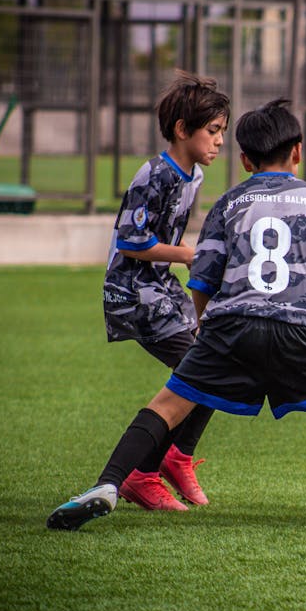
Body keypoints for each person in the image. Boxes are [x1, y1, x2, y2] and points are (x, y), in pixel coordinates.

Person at [47, 99, 306, 532]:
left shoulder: (227, 205)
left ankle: (107, 485)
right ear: (298, 151)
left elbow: (202, 281)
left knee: (169, 404)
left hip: (232, 325)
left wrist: (208, 330)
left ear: (245, 159)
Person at [102, 70, 229, 511]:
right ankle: (143, 474)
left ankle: (178, 458)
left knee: (219, 362)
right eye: (213, 132)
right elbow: (131, 243)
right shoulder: (153, 174)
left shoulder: (191, 175)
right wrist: (188, 254)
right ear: (181, 130)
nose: (218, 143)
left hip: (161, 288)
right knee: (204, 369)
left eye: (222, 134)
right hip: (135, 293)